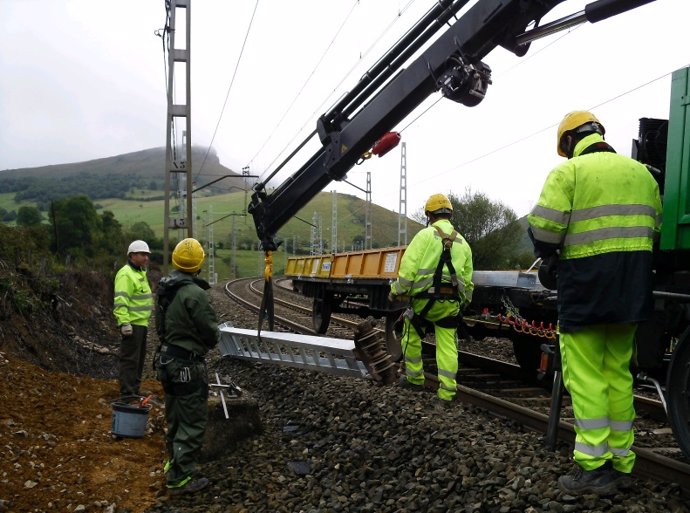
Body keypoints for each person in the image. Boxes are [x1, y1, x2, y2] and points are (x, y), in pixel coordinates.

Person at [528, 111, 662, 495]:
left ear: (569, 142)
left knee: (586, 379)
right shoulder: (642, 174)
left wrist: (550, 255)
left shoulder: (568, 174)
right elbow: (652, 229)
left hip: (585, 291)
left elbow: (545, 229)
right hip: (632, 291)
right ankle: (622, 462)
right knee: (618, 375)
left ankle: (593, 467)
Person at [388, 193, 474, 409]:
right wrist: (462, 304)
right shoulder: (463, 243)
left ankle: (415, 379)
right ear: (450, 214)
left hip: (423, 303)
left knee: (410, 332)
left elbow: (407, 272)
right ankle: (446, 393)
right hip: (450, 304)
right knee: (447, 345)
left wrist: (396, 290)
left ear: (429, 214)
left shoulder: (424, 236)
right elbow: (468, 281)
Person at [154, 238, 220, 496]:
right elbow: (209, 331)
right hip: (187, 365)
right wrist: (213, 338)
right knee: (192, 421)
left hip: (167, 360)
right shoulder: (195, 294)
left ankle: (173, 464)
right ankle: (180, 478)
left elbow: (160, 326)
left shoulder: (165, 288)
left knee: (174, 417)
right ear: (199, 265)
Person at [113, 239, 153, 398]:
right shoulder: (125, 274)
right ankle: (127, 393)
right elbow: (121, 300)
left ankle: (134, 390)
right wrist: (124, 322)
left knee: (138, 359)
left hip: (141, 324)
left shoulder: (139, 273)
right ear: (132, 255)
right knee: (130, 360)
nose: (146, 258)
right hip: (132, 325)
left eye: (147, 255)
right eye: (143, 254)